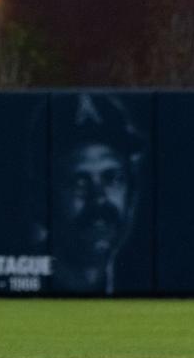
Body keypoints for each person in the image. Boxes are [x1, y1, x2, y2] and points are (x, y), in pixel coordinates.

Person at [49, 93, 144, 296]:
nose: (99, 198)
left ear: (132, 193)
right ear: (41, 197)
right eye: (79, 182)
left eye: (112, 178)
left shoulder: (135, 279)